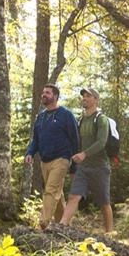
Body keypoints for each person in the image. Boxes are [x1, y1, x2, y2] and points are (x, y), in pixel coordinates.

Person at [24, 84, 80, 229]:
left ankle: (43, 223)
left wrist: (74, 164)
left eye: (47, 93)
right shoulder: (41, 117)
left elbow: (75, 139)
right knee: (57, 192)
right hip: (45, 160)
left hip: (62, 158)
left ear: (55, 96)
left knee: (50, 190)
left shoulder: (65, 114)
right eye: (43, 92)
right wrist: (30, 152)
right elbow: (36, 139)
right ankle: (64, 226)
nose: (44, 95)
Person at [60, 87, 113, 232]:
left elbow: (101, 142)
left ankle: (110, 234)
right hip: (83, 168)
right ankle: (62, 226)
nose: (84, 98)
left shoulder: (101, 119)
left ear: (96, 100)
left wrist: (84, 154)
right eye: (83, 96)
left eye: (88, 96)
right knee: (73, 196)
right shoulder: (81, 120)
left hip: (100, 167)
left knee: (104, 202)